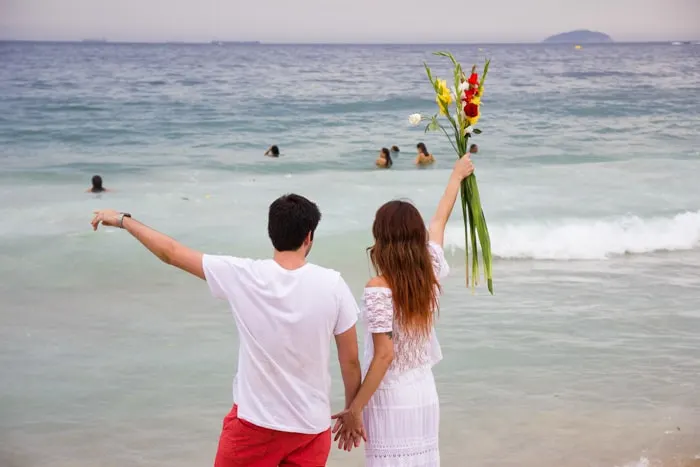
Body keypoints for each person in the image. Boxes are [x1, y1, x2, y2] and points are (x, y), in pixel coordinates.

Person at [90, 194, 366, 466]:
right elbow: (350, 360)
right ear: (309, 237)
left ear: (271, 233)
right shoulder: (333, 285)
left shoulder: (243, 275)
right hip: (310, 430)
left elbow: (171, 253)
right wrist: (353, 411)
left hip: (254, 426)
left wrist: (123, 220)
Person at [331, 155, 475, 466]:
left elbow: (384, 355)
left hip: (390, 399)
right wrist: (456, 176)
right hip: (423, 392)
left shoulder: (379, 287)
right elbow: (439, 221)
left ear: (381, 238)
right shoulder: (429, 270)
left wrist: (355, 408)